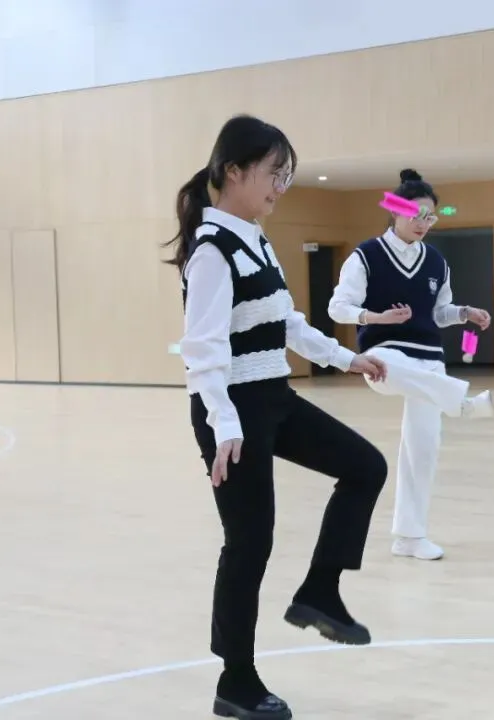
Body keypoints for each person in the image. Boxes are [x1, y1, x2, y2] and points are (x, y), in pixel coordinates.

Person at [167, 114, 389, 720]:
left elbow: (286, 321)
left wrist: (346, 358)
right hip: (232, 408)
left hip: (273, 396)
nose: (280, 187)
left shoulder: (255, 239)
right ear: (234, 171)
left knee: (365, 467)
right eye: (274, 173)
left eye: (287, 176)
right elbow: (202, 349)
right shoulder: (211, 251)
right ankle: (235, 681)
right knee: (249, 542)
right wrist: (224, 424)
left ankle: (319, 591)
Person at [328, 168, 494, 562]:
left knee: (423, 449)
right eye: (416, 214)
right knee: (397, 368)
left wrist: (464, 313)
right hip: (384, 357)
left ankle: (409, 536)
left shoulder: (436, 261)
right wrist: (377, 318)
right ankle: (460, 403)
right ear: (395, 210)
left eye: (430, 217)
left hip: (429, 363)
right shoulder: (366, 256)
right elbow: (338, 307)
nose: (423, 223)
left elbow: (438, 313)